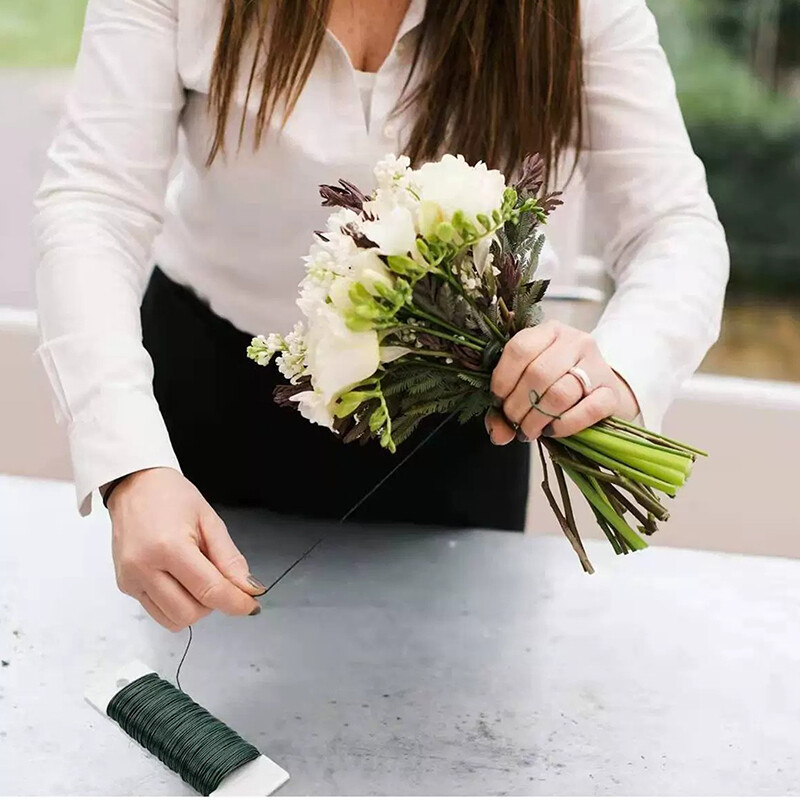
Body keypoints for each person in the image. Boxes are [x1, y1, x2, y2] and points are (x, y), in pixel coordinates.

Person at [34, 0, 729, 631]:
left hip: (455, 429)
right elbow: (95, 204)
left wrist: (621, 368)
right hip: (210, 397)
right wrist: (130, 463)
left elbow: (673, 226)